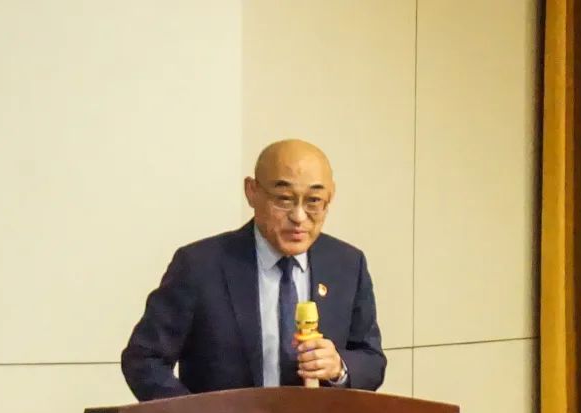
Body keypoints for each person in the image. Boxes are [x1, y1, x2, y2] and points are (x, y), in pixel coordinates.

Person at [122, 139, 386, 399]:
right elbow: (144, 359)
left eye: (314, 201)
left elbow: (372, 359)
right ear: (252, 191)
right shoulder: (200, 265)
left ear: (330, 197)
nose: (299, 217)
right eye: (284, 199)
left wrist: (339, 368)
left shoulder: (347, 264)